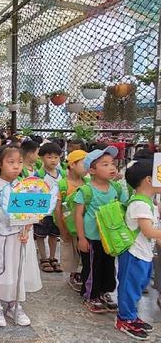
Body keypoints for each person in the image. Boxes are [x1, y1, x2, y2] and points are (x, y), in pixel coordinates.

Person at [0, 145, 42, 327]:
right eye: (10, 162)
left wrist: (27, 229)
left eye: (19, 162)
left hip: (19, 236)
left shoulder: (27, 185)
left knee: (16, 268)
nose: (16, 166)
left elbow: (31, 212)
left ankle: (15, 304)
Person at [74, 146, 128, 313]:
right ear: (92, 170)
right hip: (92, 238)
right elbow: (78, 215)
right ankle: (90, 295)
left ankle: (104, 292)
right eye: (105, 164)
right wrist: (81, 238)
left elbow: (126, 206)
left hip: (110, 238)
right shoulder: (86, 190)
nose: (111, 167)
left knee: (108, 267)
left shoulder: (116, 189)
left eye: (112, 163)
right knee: (92, 268)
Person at [115, 159, 158, 340]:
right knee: (130, 287)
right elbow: (148, 230)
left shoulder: (148, 202)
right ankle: (124, 319)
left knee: (139, 285)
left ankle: (132, 315)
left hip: (144, 253)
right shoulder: (140, 203)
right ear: (149, 179)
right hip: (134, 254)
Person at [54, 150, 88, 292]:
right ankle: (74, 274)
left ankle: (81, 273)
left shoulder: (87, 182)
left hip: (84, 225)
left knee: (83, 251)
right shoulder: (62, 184)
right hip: (68, 225)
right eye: (84, 163)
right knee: (71, 251)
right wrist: (62, 229)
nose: (87, 167)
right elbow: (57, 209)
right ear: (72, 165)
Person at [34, 142, 63, 273]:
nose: (53, 160)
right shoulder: (38, 175)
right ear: (41, 158)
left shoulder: (62, 173)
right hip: (43, 211)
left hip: (57, 211)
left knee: (54, 235)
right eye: (49, 157)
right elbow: (34, 194)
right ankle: (43, 258)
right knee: (40, 235)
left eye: (56, 157)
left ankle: (53, 257)